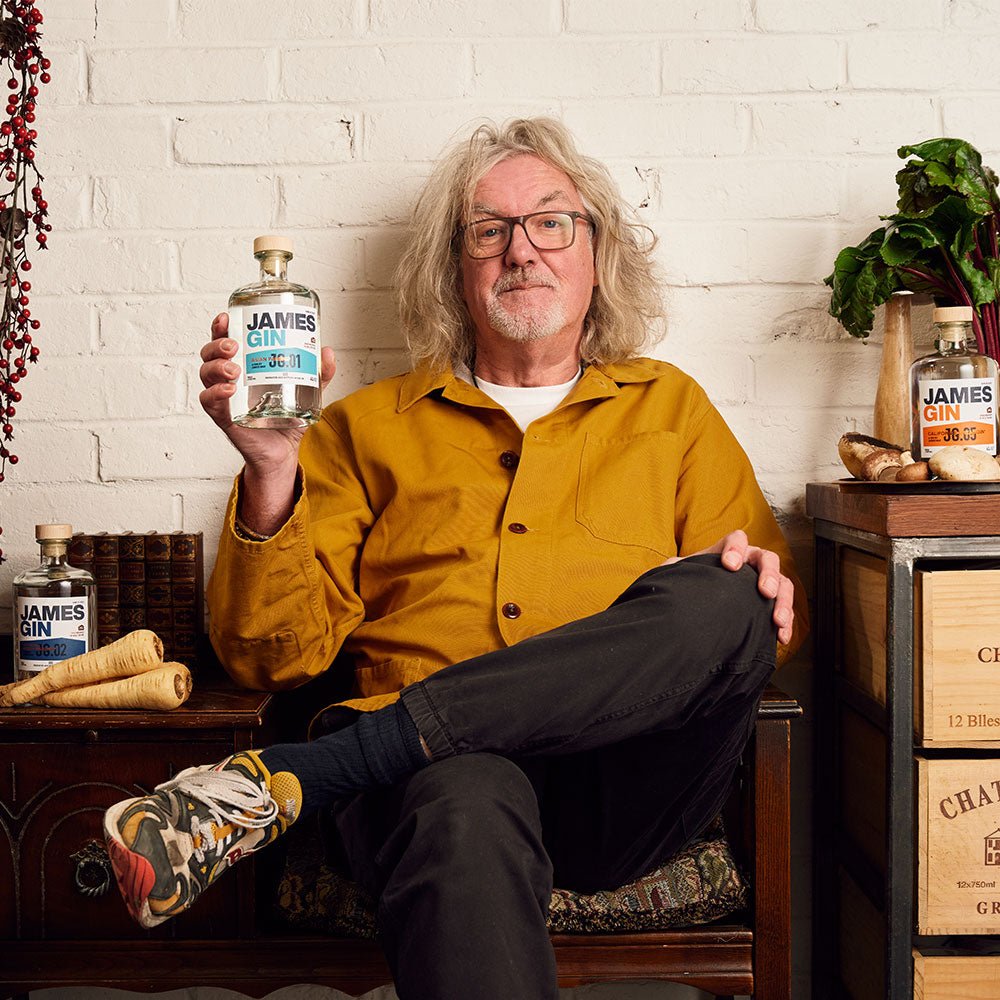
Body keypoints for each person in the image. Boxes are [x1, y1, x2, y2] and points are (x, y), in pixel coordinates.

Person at [103, 117, 807, 1000]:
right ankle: (369, 761)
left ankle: (307, 776)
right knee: (467, 797)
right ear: (455, 269)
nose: (523, 251)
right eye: (489, 231)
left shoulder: (672, 411)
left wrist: (758, 597)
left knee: (734, 596)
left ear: (598, 254)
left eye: (552, 222)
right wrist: (272, 466)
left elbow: (766, 634)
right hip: (437, 792)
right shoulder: (364, 428)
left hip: (621, 789)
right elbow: (266, 658)